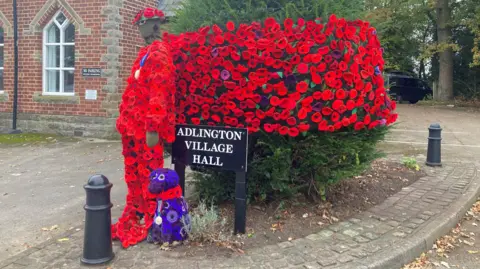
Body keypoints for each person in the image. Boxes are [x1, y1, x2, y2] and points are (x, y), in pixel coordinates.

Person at [112, 8, 176, 248]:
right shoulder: (145, 52)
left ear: (154, 24)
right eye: (138, 24)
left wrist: (153, 126)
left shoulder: (159, 53)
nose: (139, 29)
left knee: (150, 170)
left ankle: (153, 214)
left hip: (144, 128)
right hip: (131, 126)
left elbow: (159, 90)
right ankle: (138, 207)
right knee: (133, 169)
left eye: (142, 24)